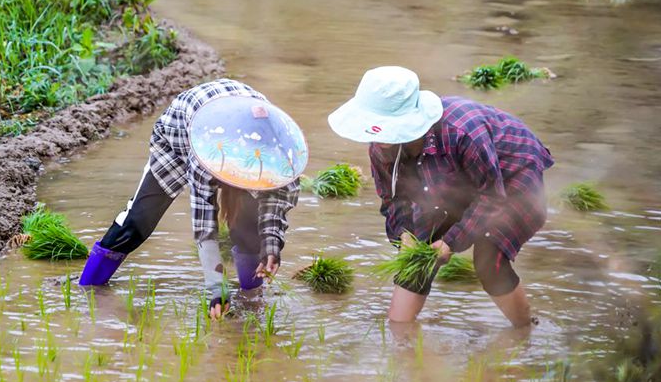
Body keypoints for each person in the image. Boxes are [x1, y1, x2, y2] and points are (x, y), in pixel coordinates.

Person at [328, 66, 553, 327]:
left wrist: (451, 242)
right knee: (417, 258)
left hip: (512, 177)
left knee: (489, 259)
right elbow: (393, 200)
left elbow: (492, 196)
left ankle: (525, 331)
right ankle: (399, 335)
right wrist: (404, 235)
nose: (378, 140)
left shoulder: (463, 131)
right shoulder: (381, 146)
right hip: (452, 178)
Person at [79, 79, 308, 320]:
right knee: (137, 222)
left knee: (249, 231)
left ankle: (252, 300)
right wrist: (216, 289)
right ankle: (88, 288)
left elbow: (274, 209)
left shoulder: (283, 160)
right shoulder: (206, 155)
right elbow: (204, 227)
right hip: (180, 137)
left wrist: (271, 248)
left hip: (240, 134)